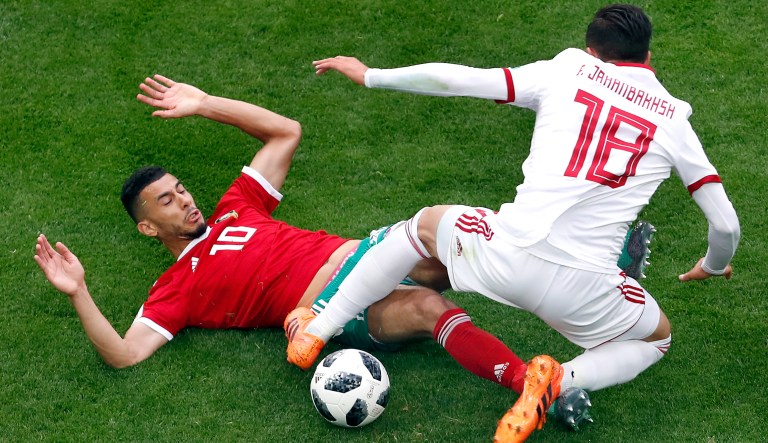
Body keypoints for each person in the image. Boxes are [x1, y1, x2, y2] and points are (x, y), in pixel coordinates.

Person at [285, 4, 740, 442]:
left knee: (420, 228)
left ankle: (318, 330)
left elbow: (456, 79)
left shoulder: (568, 69)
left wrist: (370, 75)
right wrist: (715, 266)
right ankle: (556, 381)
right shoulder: (673, 118)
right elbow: (725, 226)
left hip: (501, 253)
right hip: (582, 290)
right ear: (648, 57)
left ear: (591, 51)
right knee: (655, 340)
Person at [33, 74, 552, 401]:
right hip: (335, 313)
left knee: (450, 252)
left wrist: (205, 102)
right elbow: (124, 354)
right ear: (147, 227)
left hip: (369, 261)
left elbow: (286, 131)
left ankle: (570, 264)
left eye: (181, 189)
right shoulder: (178, 286)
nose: (185, 200)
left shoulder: (237, 208)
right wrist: (79, 292)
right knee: (423, 306)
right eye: (167, 201)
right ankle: (528, 384)